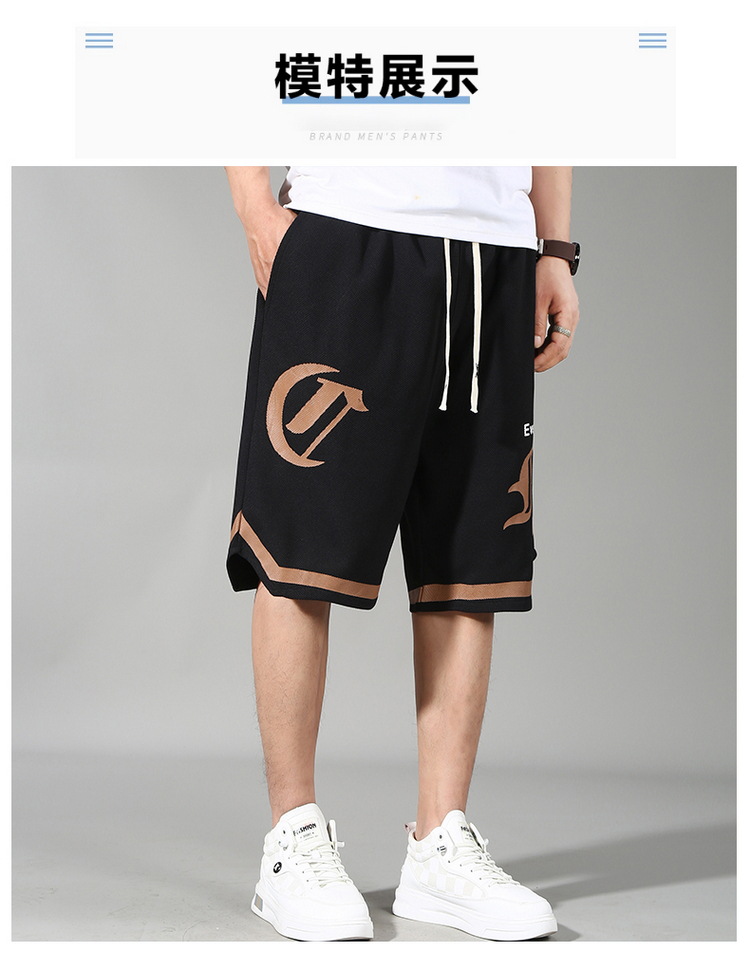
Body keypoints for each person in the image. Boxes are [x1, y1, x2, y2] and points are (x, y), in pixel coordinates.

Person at [224, 166, 580, 942]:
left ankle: (440, 843)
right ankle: (291, 835)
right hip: (347, 222)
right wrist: (253, 204)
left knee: (469, 557)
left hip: (492, 251)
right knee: (299, 546)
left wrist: (554, 248)